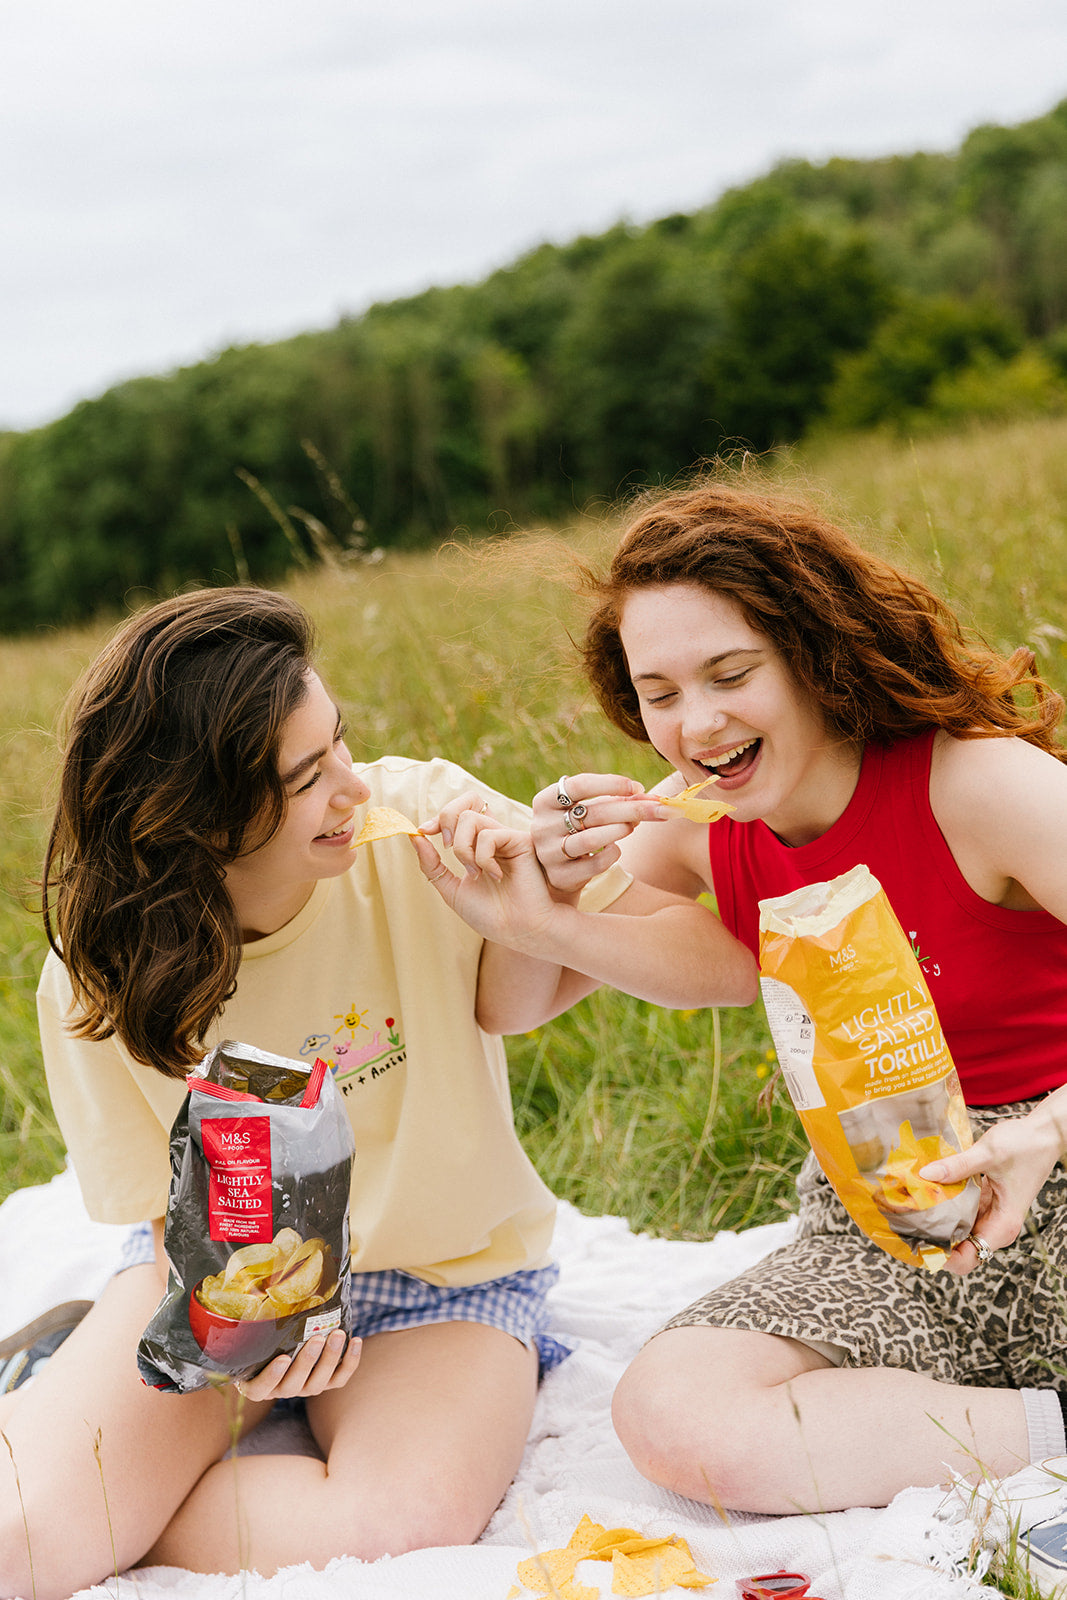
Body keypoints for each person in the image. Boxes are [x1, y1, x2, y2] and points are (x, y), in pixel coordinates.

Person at [0, 585, 756, 1600]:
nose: (356, 789)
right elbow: (163, 1214)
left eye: (340, 745)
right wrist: (237, 1338)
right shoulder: (99, 975)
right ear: (199, 822)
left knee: (391, 1524)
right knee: (21, 1547)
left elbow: (681, 958)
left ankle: (120, 1485)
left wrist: (540, 911)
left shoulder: (427, 814)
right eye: (310, 776)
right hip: (226, 1278)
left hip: (444, 1279)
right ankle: (112, 1444)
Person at [528, 478, 1067, 1518]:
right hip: (890, 1227)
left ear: (816, 655)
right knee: (673, 1413)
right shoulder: (700, 830)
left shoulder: (977, 785)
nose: (697, 724)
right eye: (660, 692)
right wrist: (537, 885)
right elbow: (517, 1000)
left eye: (730, 673)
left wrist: (1045, 1131)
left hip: (1055, 1163)